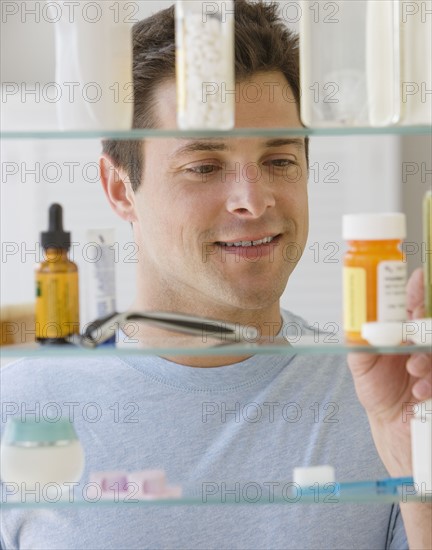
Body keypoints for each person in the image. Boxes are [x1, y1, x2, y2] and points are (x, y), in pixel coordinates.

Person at [1, 1, 431, 549]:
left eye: (280, 161)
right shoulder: (22, 411)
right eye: (203, 167)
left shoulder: (378, 396)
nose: (254, 200)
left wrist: (415, 462)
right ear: (118, 189)